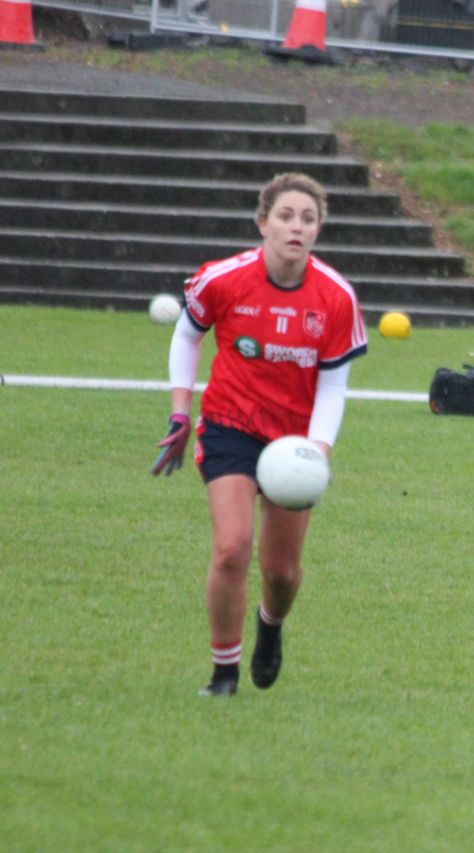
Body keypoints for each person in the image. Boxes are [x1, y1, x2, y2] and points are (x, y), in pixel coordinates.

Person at [151, 172, 368, 697]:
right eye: (286, 216)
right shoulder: (224, 279)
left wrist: (316, 453)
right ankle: (224, 673)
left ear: (319, 230)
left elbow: (333, 388)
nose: (297, 227)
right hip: (232, 425)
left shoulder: (336, 297)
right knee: (231, 549)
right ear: (262, 223)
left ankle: (270, 627)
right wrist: (181, 413)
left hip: (294, 442)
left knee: (282, 573)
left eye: (308, 219)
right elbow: (187, 334)